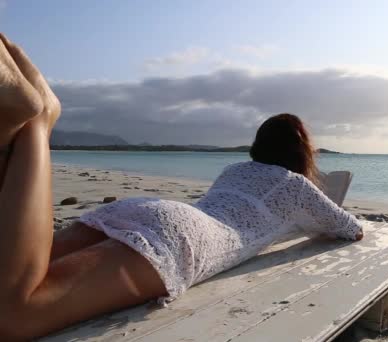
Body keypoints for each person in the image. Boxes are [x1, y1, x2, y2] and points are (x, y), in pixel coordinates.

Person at [0, 34, 363, 340]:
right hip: (182, 239)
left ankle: (19, 119)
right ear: (301, 153)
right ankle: (38, 122)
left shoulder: (235, 168)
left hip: (150, 210)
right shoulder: (296, 185)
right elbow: (350, 229)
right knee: (14, 313)